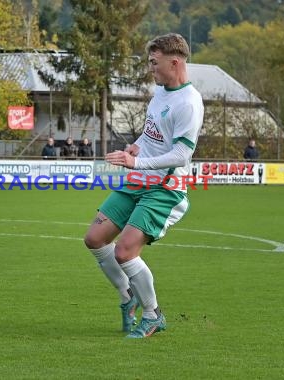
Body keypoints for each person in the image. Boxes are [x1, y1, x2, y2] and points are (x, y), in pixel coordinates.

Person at [83, 33, 204, 339]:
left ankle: (153, 315)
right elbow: (152, 135)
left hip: (165, 187)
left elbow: (181, 154)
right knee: (95, 238)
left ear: (174, 62)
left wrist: (135, 163)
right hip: (139, 181)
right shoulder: (160, 92)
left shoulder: (189, 103)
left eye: (154, 62)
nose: (150, 68)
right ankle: (128, 296)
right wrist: (135, 147)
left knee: (124, 251)